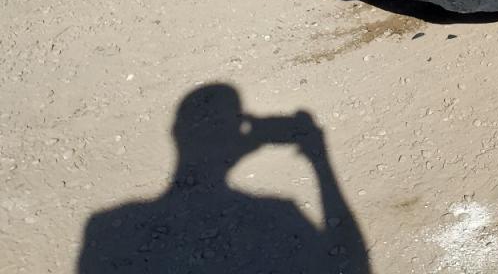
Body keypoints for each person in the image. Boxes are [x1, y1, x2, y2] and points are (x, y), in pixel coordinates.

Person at [78, 84, 369, 273]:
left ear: (175, 133)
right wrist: (321, 162)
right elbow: (356, 264)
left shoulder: (103, 226)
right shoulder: (279, 213)